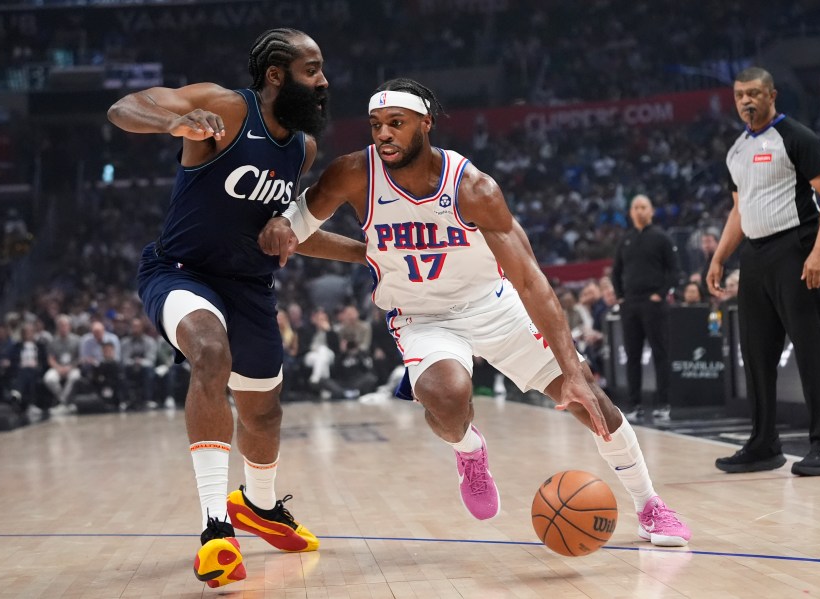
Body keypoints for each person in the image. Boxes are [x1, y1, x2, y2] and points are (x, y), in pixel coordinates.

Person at [259, 78, 691, 547]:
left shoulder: (473, 187)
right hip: (422, 317)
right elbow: (295, 226)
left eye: (396, 124)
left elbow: (530, 280)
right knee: (445, 397)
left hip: (493, 305)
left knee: (595, 404)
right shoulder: (353, 173)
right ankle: (470, 451)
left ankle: (650, 505)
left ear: (426, 123)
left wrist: (572, 371)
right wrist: (307, 231)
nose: (383, 134)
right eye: (376, 124)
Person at [106, 28, 365, 587]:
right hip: (181, 272)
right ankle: (215, 530)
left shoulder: (302, 147)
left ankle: (259, 504)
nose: (324, 82)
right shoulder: (225, 107)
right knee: (208, 353)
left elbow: (294, 231)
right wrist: (170, 123)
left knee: (264, 413)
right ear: (276, 75)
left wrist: (366, 255)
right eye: (312, 70)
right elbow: (125, 106)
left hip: (249, 286)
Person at [706, 66, 820, 476]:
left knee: (813, 351)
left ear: (772, 94)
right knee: (755, 354)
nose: (746, 100)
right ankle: (763, 445)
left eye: (754, 93)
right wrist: (720, 257)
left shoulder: (796, 137)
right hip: (755, 258)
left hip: (796, 249)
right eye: (740, 94)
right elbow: (739, 210)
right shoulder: (736, 150)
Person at [611, 194, 680, 423]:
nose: (639, 211)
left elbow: (674, 271)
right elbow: (615, 271)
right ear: (630, 213)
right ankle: (634, 405)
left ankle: (663, 404)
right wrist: (620, 297)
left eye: (643, 207)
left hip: (654, 304)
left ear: (651, 211)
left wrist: (660, 294)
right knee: (633, 356)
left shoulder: (662, 238)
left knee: (660, 354)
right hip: (630, 304)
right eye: (635, 207)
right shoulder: (625, 239)